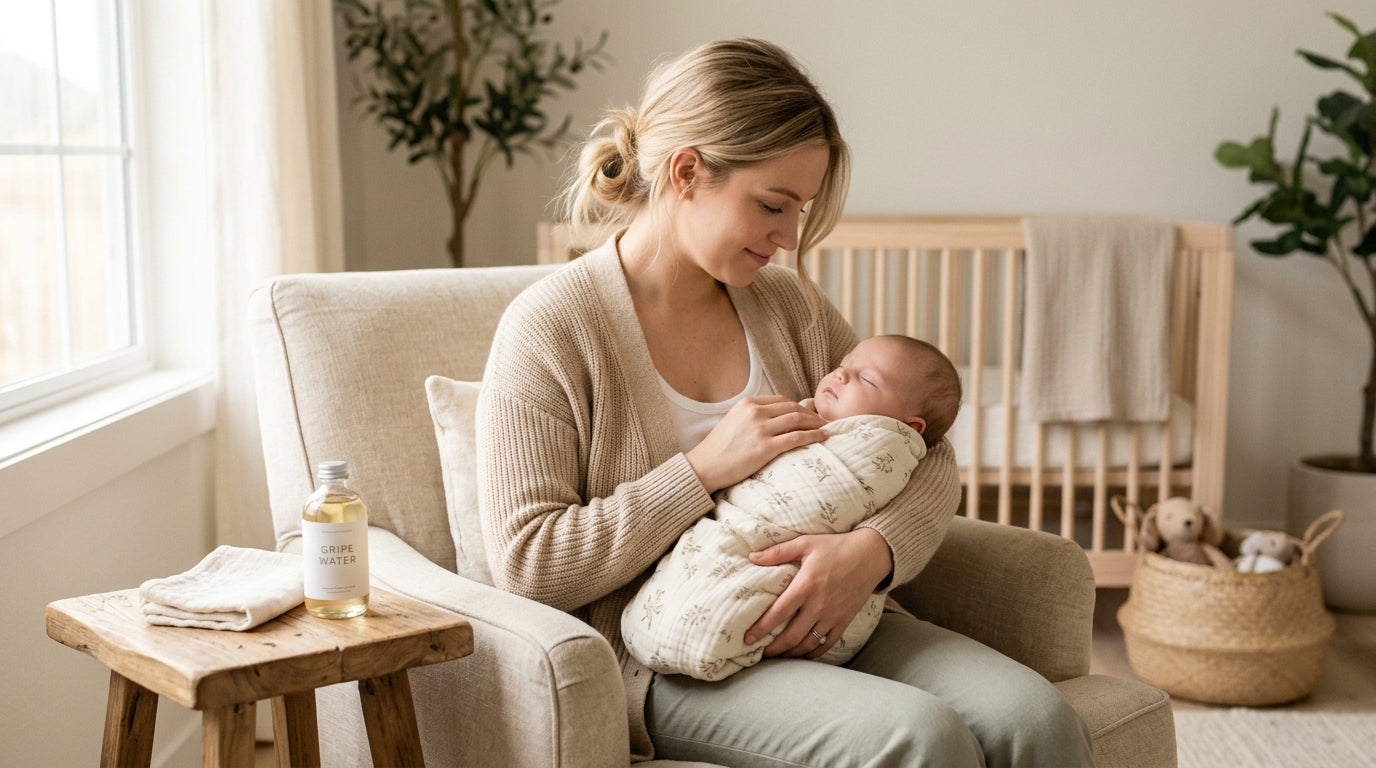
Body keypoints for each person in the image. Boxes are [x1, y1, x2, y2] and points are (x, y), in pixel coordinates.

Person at [477, 36, 1094, 767]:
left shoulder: (785, 305)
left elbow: (919, 446)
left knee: (1037, 720)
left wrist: (871, 554)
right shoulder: (551, 329)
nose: (791, 236)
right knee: (922, 741)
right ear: (687, 173)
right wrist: (700, 470)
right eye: (773, 205)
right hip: (674, 655)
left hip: (837, 617)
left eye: (799, 208)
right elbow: (530, 562)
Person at [621, 335, 962, 681]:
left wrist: (874, 550)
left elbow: (932, 453)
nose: (840, 376)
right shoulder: (573, 315)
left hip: (827, 619)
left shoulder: (795, 308)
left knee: (1014, 709)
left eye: (866, 379)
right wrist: (701, 470)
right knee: (923, 729)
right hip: (638, 670)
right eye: (843, 367)